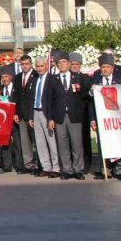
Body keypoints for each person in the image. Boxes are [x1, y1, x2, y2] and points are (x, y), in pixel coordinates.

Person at [44, 51, 87, 180]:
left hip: (74, 115)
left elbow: (84, 96)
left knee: (76, 143)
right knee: (62, 143)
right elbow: (49, 100)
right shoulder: (52, 79)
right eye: (59, 63)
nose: (62, 65)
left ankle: (78, 169)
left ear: (69, 64)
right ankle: (67, 170)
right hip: (59, 116)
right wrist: (50, 118)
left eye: (64, 62)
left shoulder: (78, 77)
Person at [89, 53, 121, 180]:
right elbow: (91, 103)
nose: (105, 69)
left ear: (112, 67)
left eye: (107, 67)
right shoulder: (96, 82)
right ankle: (105, 169)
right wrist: (92, 119)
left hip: (117, 119)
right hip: (102, 119)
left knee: (119, 143)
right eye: (103, 67)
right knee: (103, 144)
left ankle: (120, 170)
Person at [31, 57, 60, 178]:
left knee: (51, 141)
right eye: (37, 66)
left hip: (46, 113)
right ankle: (46, 167)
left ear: (46, 66)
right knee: (40, 142)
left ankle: (56, 167)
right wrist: (30, 117)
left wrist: (51, 117)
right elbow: (31, 99)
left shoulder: (52, 79)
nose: (39, 68)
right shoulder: (35, 80)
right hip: (36, 112)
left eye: (41, 66)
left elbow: (55, 100)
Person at [11, 55, 38, 175]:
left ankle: (39, 164)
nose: (25, 66)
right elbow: (15, 96)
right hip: (21, 114)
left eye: (27, 64)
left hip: (33, 114)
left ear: (31, 64)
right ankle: (28, 165)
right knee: (25, 141)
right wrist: (15, 112)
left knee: (37, 141)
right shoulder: (17, 78)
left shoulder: (37, 75)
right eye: (22, 64)